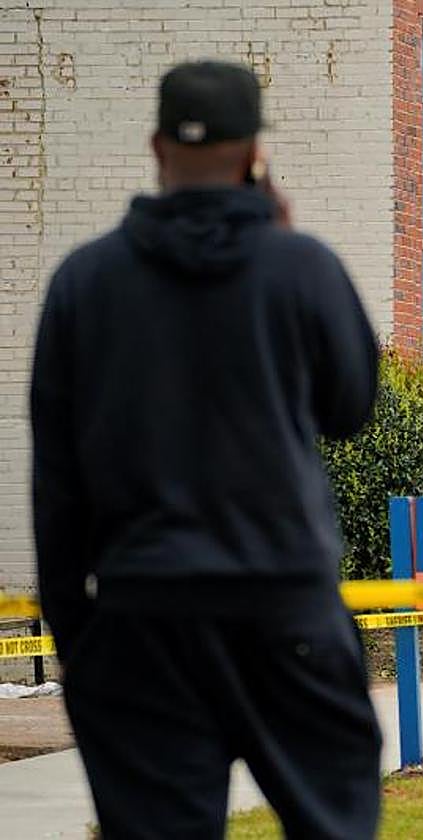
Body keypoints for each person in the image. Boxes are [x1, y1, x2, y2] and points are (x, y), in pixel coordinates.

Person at [30, 61, 382, 838]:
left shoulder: (85, 283)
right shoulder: (301, 267)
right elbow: (351, 406)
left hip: (143, 612)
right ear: (254, 150)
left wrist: (78, 638)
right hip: (283, 604)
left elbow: (57, 485)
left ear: (156, 145)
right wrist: (285, 247)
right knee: (336, 821)